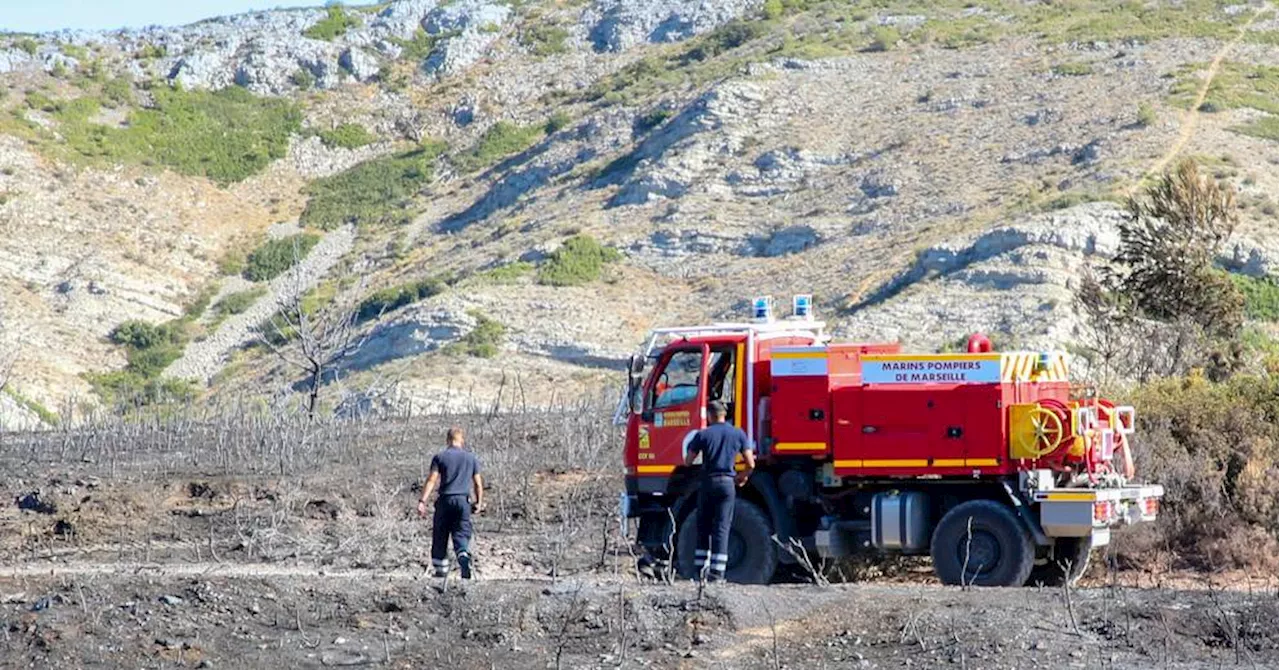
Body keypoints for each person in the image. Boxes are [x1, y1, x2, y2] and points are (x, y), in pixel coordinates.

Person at [684, 400, 755, 582]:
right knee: (722, 527)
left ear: (709, 415)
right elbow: (751, 463)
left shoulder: (703, 434)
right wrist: (742, 476)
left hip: (708, 483)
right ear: (724, 414)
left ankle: (699, 571)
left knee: (704, 526)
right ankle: (717, 574)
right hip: (727, 485)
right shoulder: (738, 434)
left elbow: (688, 461)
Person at [417, 427, 484, 579]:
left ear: (448, 440)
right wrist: (479, 502)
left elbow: (432, 480)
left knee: (440, 535)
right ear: (462, 440)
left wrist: (422, 501)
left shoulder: (440, 457)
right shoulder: (471, 458)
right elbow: (478, 484)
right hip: (463, 501)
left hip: (445, 500)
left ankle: (441, 571)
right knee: (461, 533)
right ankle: (463, 556)